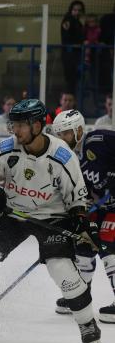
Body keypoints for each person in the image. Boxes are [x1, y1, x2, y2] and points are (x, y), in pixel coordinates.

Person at [0, 99, 102, 343]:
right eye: (13, 124)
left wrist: (80, 222)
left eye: (21, 125)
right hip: (12, 213)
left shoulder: (62, 155)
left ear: (37, 125)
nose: (15, 130)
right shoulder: (5, 149)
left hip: (53, 216)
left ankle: (87, 322)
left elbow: (77, 198)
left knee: (60, 267)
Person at [52, 110, 115, 324]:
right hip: (101, 206)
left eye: (66, 133)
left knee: (108, 246)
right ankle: (81, 296)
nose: (62, 139)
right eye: (59, 135)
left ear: (79, 130)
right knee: (83, 245)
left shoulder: (98, 140)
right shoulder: (68, 160)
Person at [61, 0, 85, 94]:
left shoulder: (78, 22)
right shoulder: (68, 20)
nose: (77, 12)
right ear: (71, 10)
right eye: (75, 10)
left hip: (77, 53)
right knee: (70, 79)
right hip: (69, 53)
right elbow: (66, 36)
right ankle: (68, 98)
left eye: (79, 10)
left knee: (75, 79)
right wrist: (73, 44)